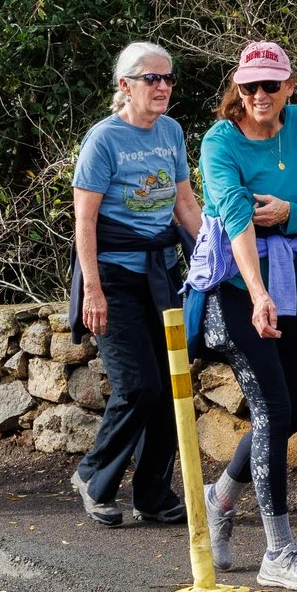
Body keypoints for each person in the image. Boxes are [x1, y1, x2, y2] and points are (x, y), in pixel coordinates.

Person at [189, 41, 297, 592]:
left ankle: (220, 497)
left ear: (289, 87)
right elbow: (235, 220)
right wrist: (257, 294)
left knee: (289, 413)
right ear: (238, 86)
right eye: (249, 85)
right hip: (236, 289)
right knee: (273, 409)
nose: (259, 95)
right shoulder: (219, 142)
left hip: (294, 282)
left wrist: (289, 212)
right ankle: (279, 551)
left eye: (270, 85)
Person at [66, 43, 202, 528]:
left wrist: (216, 259)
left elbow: (185, 206)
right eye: (151, 79)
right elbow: (84, 222)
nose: (162, 87)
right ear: (125, 86)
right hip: (115, 278)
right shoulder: (103, 140)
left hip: (163, 274)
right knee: (139, 386)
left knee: (171, 386)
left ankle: (152, 494)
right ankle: (92, 474)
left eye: (167, 79)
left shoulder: (170, 131)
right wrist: (93, 292)